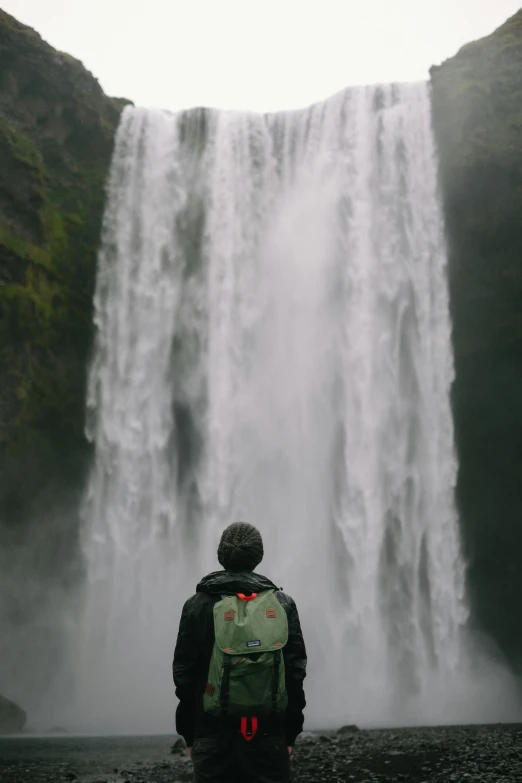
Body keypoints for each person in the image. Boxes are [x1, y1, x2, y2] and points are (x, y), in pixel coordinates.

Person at [173, 521, 307, 783]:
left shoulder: (197, 605)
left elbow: (184, 676)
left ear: (221, 555)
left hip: (210, 735)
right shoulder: (282, 604)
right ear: (258, 556)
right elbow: (295, 673)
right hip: (269, 736)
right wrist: (290, 733)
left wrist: (190, 735)